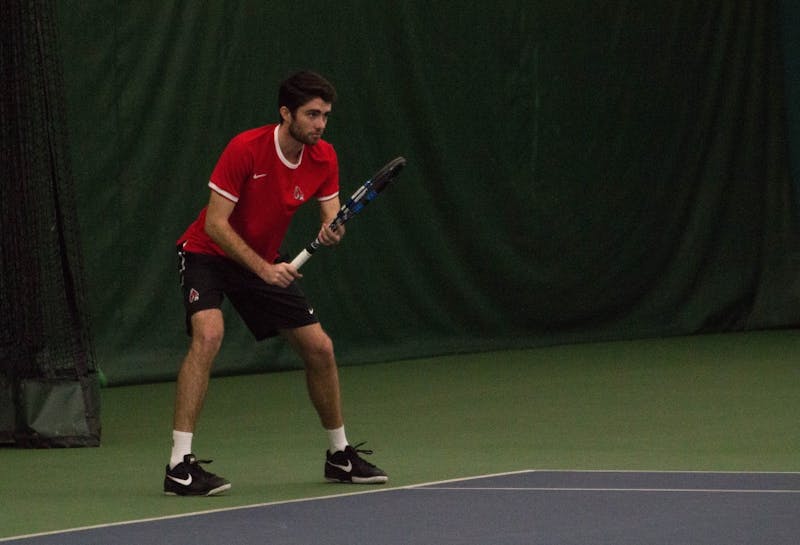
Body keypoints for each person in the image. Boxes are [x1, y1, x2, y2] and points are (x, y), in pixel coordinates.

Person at [163, 70, 388, 496]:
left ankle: (339, 457)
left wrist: (332, 231)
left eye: (325, 115)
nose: (320, 124)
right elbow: (214, 224)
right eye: (312, 114)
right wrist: (263, 269)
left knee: (320, 347)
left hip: (263, 259)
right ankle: (179, 465)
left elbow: (332, 217)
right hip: (207, 253)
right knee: (209, 334)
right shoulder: (246, 148)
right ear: (286, 113)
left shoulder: (324, 157)